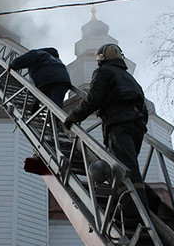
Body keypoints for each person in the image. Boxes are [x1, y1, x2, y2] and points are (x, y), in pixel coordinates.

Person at [63, 43, 150, 228]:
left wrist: (73, 117)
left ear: (101, 58)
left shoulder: (102, 72)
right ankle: (136, 208)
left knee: (124, 170)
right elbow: (144, 107)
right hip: (137, 125)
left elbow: (94, 99)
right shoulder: (130, 78)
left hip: (118, 124)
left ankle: (135, 216)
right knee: (131, 166)